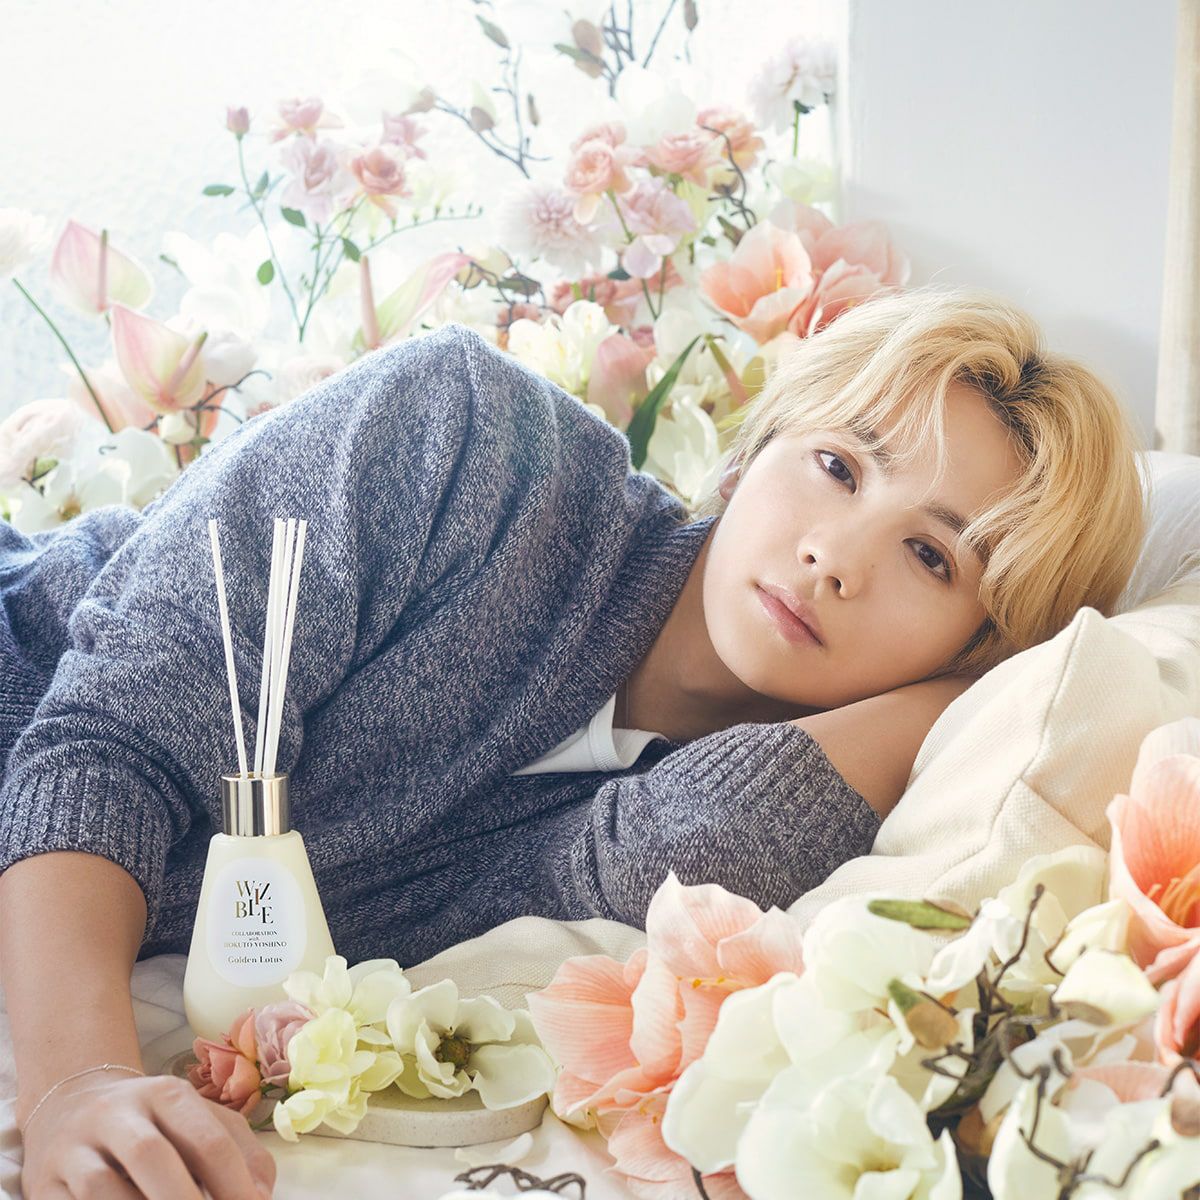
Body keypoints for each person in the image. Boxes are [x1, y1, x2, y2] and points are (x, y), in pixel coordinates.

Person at [0, 286, 1145, 1197]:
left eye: (932, 557)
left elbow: (669, 844)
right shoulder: (468, 434)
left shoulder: (744, 814)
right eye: (838, 466)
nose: (834, 558)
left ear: (979, 649)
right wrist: (77, 1084)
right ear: (755, 447)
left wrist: (961, 695)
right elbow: (112, 740)